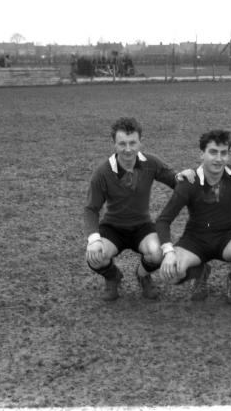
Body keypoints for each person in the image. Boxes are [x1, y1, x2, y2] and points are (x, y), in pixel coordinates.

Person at [83, 117, 194, 301]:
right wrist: (94, 239)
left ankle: (142, 275)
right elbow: (91, 209)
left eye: (132, 143)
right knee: (95, 256)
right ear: (114, 144)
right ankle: (112, 277)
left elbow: (174, 179)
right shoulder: (102, 173)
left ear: (140, 142)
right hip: (113, 227)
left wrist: (184, 176)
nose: (128, 149)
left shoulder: (151, 163)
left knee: (158, 253)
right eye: (122, 144)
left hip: (142, 226)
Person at [156, 130, 231, 305]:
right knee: (170, 273)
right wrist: (168, 252)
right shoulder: (189, 181)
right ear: (201, 154)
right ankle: (200, 271)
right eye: (213, 152)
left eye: (223, 153)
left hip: (228, 235)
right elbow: (163, 220)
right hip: (195, 239)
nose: (218, 159)